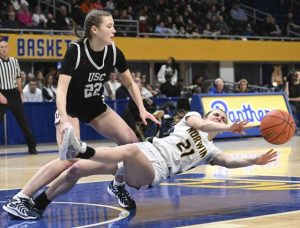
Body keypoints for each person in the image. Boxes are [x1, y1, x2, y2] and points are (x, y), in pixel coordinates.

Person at [2, 9, 160, 219]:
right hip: (70, 107)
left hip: (95, 106)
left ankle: (117, 185)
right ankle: (21, 198)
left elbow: (130, 82)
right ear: (94, 30)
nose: (114, 30)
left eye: (113, 25)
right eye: (109, 26)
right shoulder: (76, 51)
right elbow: (61, 90)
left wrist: (142, 109)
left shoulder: (113, 52)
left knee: (130, 142)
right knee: (69, 158)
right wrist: (64, 119)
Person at [8, 109, 277, 219]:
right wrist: (228, 124)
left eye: (223, 116)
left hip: (151, 171)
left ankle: (83, 149)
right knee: (76, 168)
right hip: (143, 151)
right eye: (215, 113)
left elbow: (230, 162)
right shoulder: (193, 118)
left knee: (128, 152)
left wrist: (256, 159)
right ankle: (39, 204)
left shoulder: (211, 149)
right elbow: (203, 123)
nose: (217, 115)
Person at [0, 38, 38, 154]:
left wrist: (20, 93)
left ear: (9, 48)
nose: (4, 49)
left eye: (5, 47)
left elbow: (18, 78)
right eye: (1, 47)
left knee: (23, 122)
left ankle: (32, 146)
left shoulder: (14, 61)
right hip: (2, 93)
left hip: (14, 94)